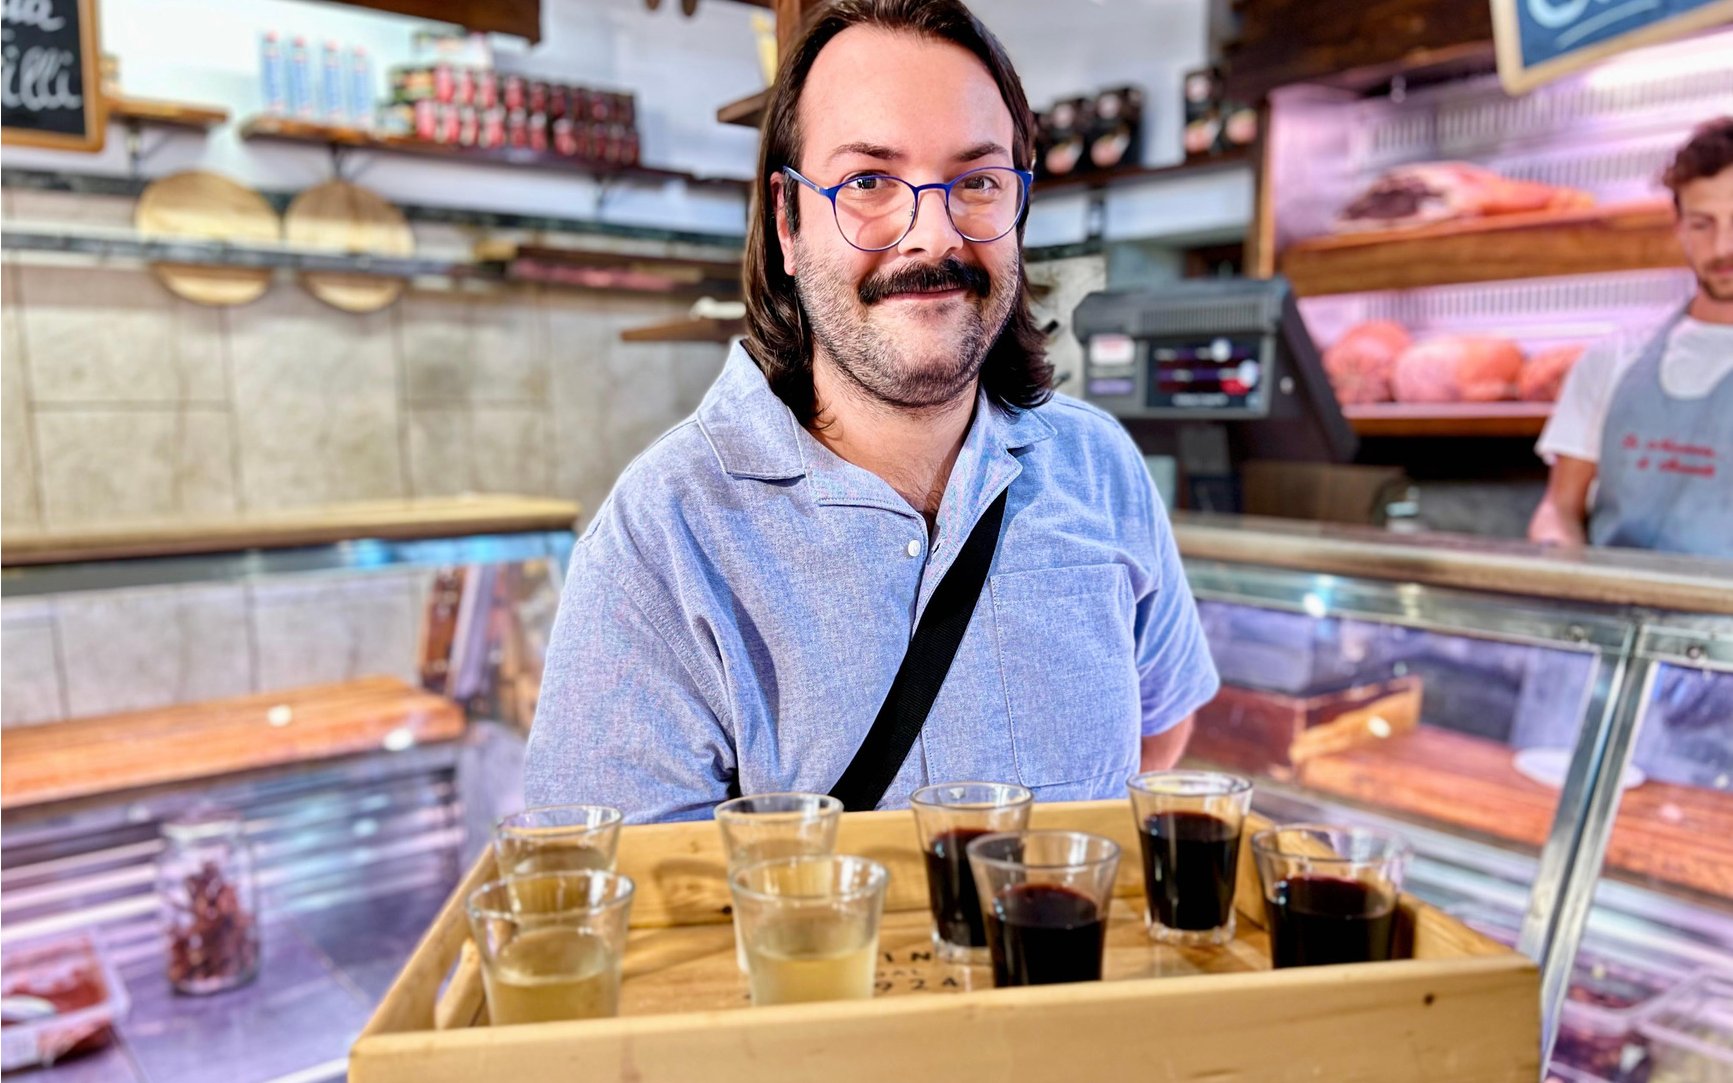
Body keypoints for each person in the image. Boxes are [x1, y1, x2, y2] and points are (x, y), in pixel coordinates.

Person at [524, 0, 1219, 822]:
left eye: (979, 182)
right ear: (787, 222)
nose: (931, 234)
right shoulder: (666, 534)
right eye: (866, 183)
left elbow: (1160, 729)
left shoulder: (1099, 466)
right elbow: (621, 895)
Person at [1529, 117, 1733, 556]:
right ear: (1679, 228)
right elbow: (1559, 508)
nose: (1722, 247)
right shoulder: (1612, 359)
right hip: (1618, 618)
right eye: (1702, 224)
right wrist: (1555, 559)